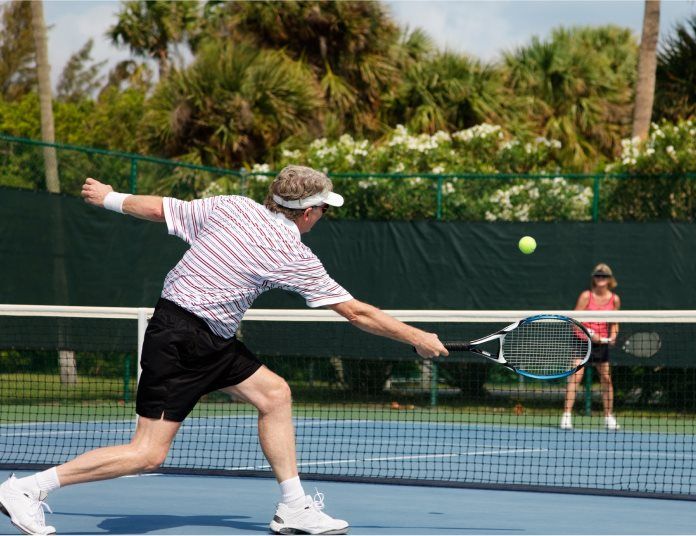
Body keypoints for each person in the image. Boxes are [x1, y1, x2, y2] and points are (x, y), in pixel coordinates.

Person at [0, 165, 448, 536]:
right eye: (322, 210)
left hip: (207, 337)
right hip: (181, 338)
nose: (322, 216)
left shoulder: (231, 206)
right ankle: (29, 488)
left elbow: (159, 209)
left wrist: (111, 197)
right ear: (307, 212)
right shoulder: (292, 254)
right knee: (147, 454)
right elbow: (357, 314)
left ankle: (293, 507)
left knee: (274, 394)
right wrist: (417, 337)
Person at [560, 263, 621, 431]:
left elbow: (615, 322)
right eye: (598, 276)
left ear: (610, 279)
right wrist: (590, 333)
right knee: (576, 377)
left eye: (604, 276)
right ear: (593, 278)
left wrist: (614, 335)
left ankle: (608, 417)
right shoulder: (586, 296)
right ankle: (566, 416)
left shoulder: (614, 299)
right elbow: (574, 320)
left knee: (607, 380)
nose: (601, 279)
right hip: (582, 341)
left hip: (602, 345)